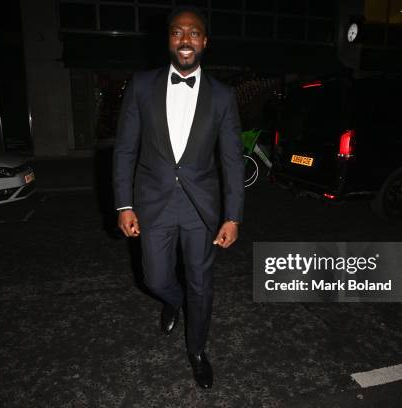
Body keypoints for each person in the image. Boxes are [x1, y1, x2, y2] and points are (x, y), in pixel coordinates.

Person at [112, 6, 244, 389]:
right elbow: (124, 150)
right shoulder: (140, 85)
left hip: (201, 207)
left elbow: (232, 159)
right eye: (177, 32)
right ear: (168, 39)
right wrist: (124, 205)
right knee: (154, 277)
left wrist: (233, 216)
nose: (185, 39)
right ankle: (174, 299)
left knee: (202, 283)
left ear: (204, 41)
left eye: (194, 33)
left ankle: (198, 350)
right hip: (153, 202)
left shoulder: (222, 95)